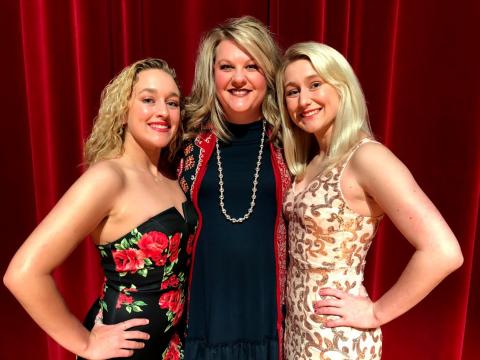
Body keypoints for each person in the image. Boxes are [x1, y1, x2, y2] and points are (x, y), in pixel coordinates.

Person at [276, 42, 463, 359]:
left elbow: (444, 251)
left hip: (336, 341)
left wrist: (376, 313)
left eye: (315, 84)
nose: (303, 100)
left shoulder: (367, 157)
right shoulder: (311, 160)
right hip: (298, 334)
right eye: (292, 92)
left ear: (341, 85)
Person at [4, 58, 197, 359]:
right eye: (148, 99)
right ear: (123, 110)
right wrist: (86, 344)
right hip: (121, 353)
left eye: (172, 103)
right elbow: (22, 273)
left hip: (171, 349)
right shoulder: (108, 178)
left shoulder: (173, 176)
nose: (162, 111)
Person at [178, 16, 291, 359]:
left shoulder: (292, 142)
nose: (239, 78)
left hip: (268, 316)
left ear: (268, 74)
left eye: (252, 66)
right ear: (211, 74)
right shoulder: (186, 138)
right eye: (227, 66)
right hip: (205, 314)